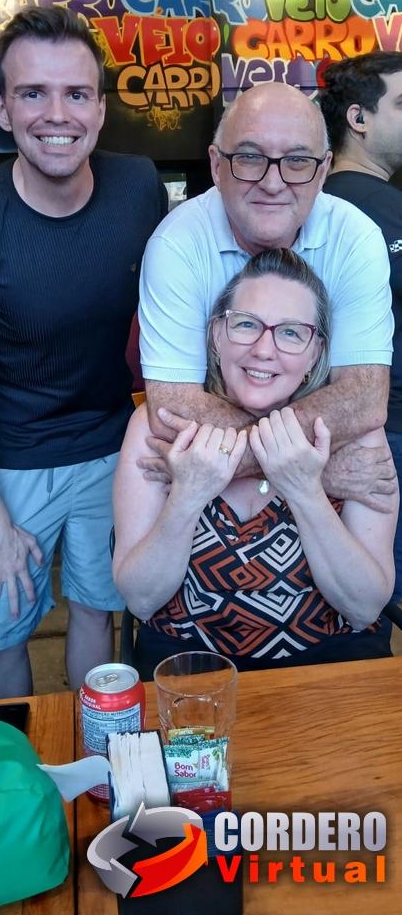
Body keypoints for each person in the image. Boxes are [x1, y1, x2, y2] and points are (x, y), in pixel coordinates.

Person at [0, 7, 168, 699]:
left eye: (76, 93)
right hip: (6, 463)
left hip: (111, 446)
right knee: (0, 635)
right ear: (1, 107)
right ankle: (16, 760)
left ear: (100, 109)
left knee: (98, 614)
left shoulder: (139, 187)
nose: (56, 114)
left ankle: (93, 753)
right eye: (33, 93)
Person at [114, 250, 397, 678]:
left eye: (291, 333)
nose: (264, 349)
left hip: (330, 669)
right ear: (217, 335)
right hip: (189, 670)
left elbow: (364, 606)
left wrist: (304, 489)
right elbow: (141, 599)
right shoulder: (159, 426)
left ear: (315, 352)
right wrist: (188, 495)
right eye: (246, 324)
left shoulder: (357, 434)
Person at [138, 82, 396, 513]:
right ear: (216, 166)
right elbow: (173, 408)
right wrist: (315, 470)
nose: (273, 183)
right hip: (224, 496)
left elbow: (363, 399)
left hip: (223, 471)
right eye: (250, 157)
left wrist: (249, 461)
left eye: (297, 161)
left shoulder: (355, 237)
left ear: (323, 170)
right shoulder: (177, 243)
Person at [320, 52, 402, 602]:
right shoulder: (379, 206)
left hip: (342, 429)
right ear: (359, 118)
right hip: (390, 432)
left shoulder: (317, 203)